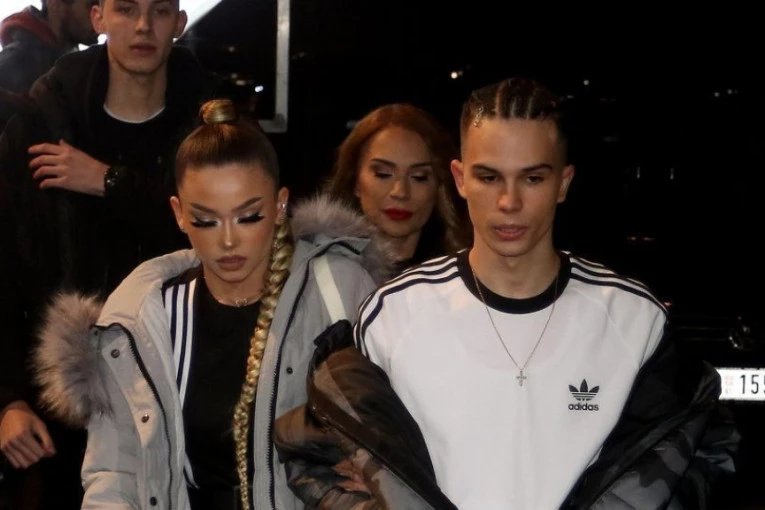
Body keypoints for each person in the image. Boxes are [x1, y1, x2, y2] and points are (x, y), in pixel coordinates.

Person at [275, 77, 739, 509]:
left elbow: (698, 455)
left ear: (563, 182)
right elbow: (315, 454)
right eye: (489, 177)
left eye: (532, 178)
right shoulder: (392, 315)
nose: (509, 202)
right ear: (460, 179)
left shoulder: (634, 319)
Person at [34, 99, 392, 510]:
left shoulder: (338, 289)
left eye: (248, 216)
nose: (227, 240)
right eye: (205, 220)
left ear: (280, 205)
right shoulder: (144, 317)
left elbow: (398, 437)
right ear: (178, 214)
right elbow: (116, 470)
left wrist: (378, 472)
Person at [0, 0, 217, 507]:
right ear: (98, 18)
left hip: (184, 397)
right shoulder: (40, 128)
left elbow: (223, 241)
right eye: (126, 8)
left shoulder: (210, 131)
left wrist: (110, 182)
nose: (142, 25)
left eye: (159, 10)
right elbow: (4, 271)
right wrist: (7, 399)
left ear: (179, 23)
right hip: (59, 410)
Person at [324, 103, 469, 269]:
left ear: (439, 185)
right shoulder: (324, 271)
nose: (400, 192)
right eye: (383, 174)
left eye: (419, 177)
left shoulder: (467, 273)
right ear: (355, 180)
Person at [0, 0, 97, 94]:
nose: (100, 16)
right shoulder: (17, 61)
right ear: (56, 4)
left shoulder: (77, 63)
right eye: (91, 6)